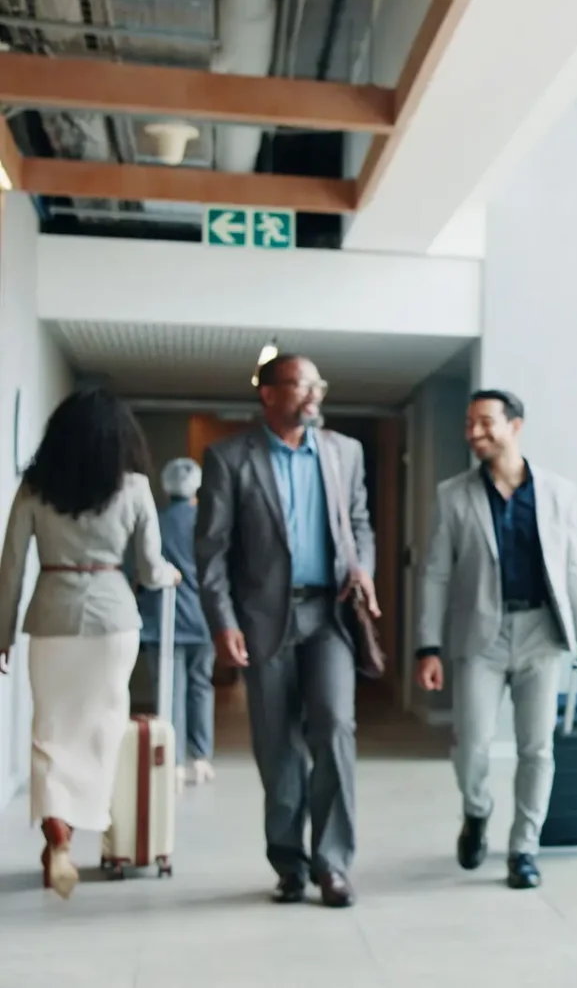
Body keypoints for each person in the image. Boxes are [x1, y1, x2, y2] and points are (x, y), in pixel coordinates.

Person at [196, 353, 379, 909]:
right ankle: (288, 862)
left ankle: (333, 864)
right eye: (300, 385)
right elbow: (211, 552)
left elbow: (361, 522)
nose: (312, 394)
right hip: (261, 620)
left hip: (329, 617)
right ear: (268, 394)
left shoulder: (345, 452)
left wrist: (362, 567)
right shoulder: (229, 458)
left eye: (317, 384)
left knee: (335, 727)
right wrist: (223, 622)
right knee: (277, 747)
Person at [414, 389, 577, 890]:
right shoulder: (453, 494)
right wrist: (428, 646)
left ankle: (524, 848)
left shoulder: (557, 492)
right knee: (473, 746)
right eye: (468, 423)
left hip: (543, 633)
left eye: (485, 422)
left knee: (536, 749)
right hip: (482, 636)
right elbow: (436, 573)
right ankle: (477, 811)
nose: (474, 433)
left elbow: (573, 568)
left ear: (515, 426)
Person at [0, 387, 179, 899]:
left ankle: (58, 837)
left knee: (50, 732)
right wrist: (171, 575)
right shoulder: (135, 488)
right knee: (101, 731)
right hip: (111, 619)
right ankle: (90, 822)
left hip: (51, 617)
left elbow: (10, 568)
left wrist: (2, 633)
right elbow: (149, 567)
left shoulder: (34, 488)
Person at [134, 457, 215, 787]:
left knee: (169, 690)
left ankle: (174, 762)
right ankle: (201, 758)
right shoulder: (208, 524)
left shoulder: (156, 522)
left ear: (166, 488)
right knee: (201, 687)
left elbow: (140, 570)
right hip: (203, 619)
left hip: (163, 621)